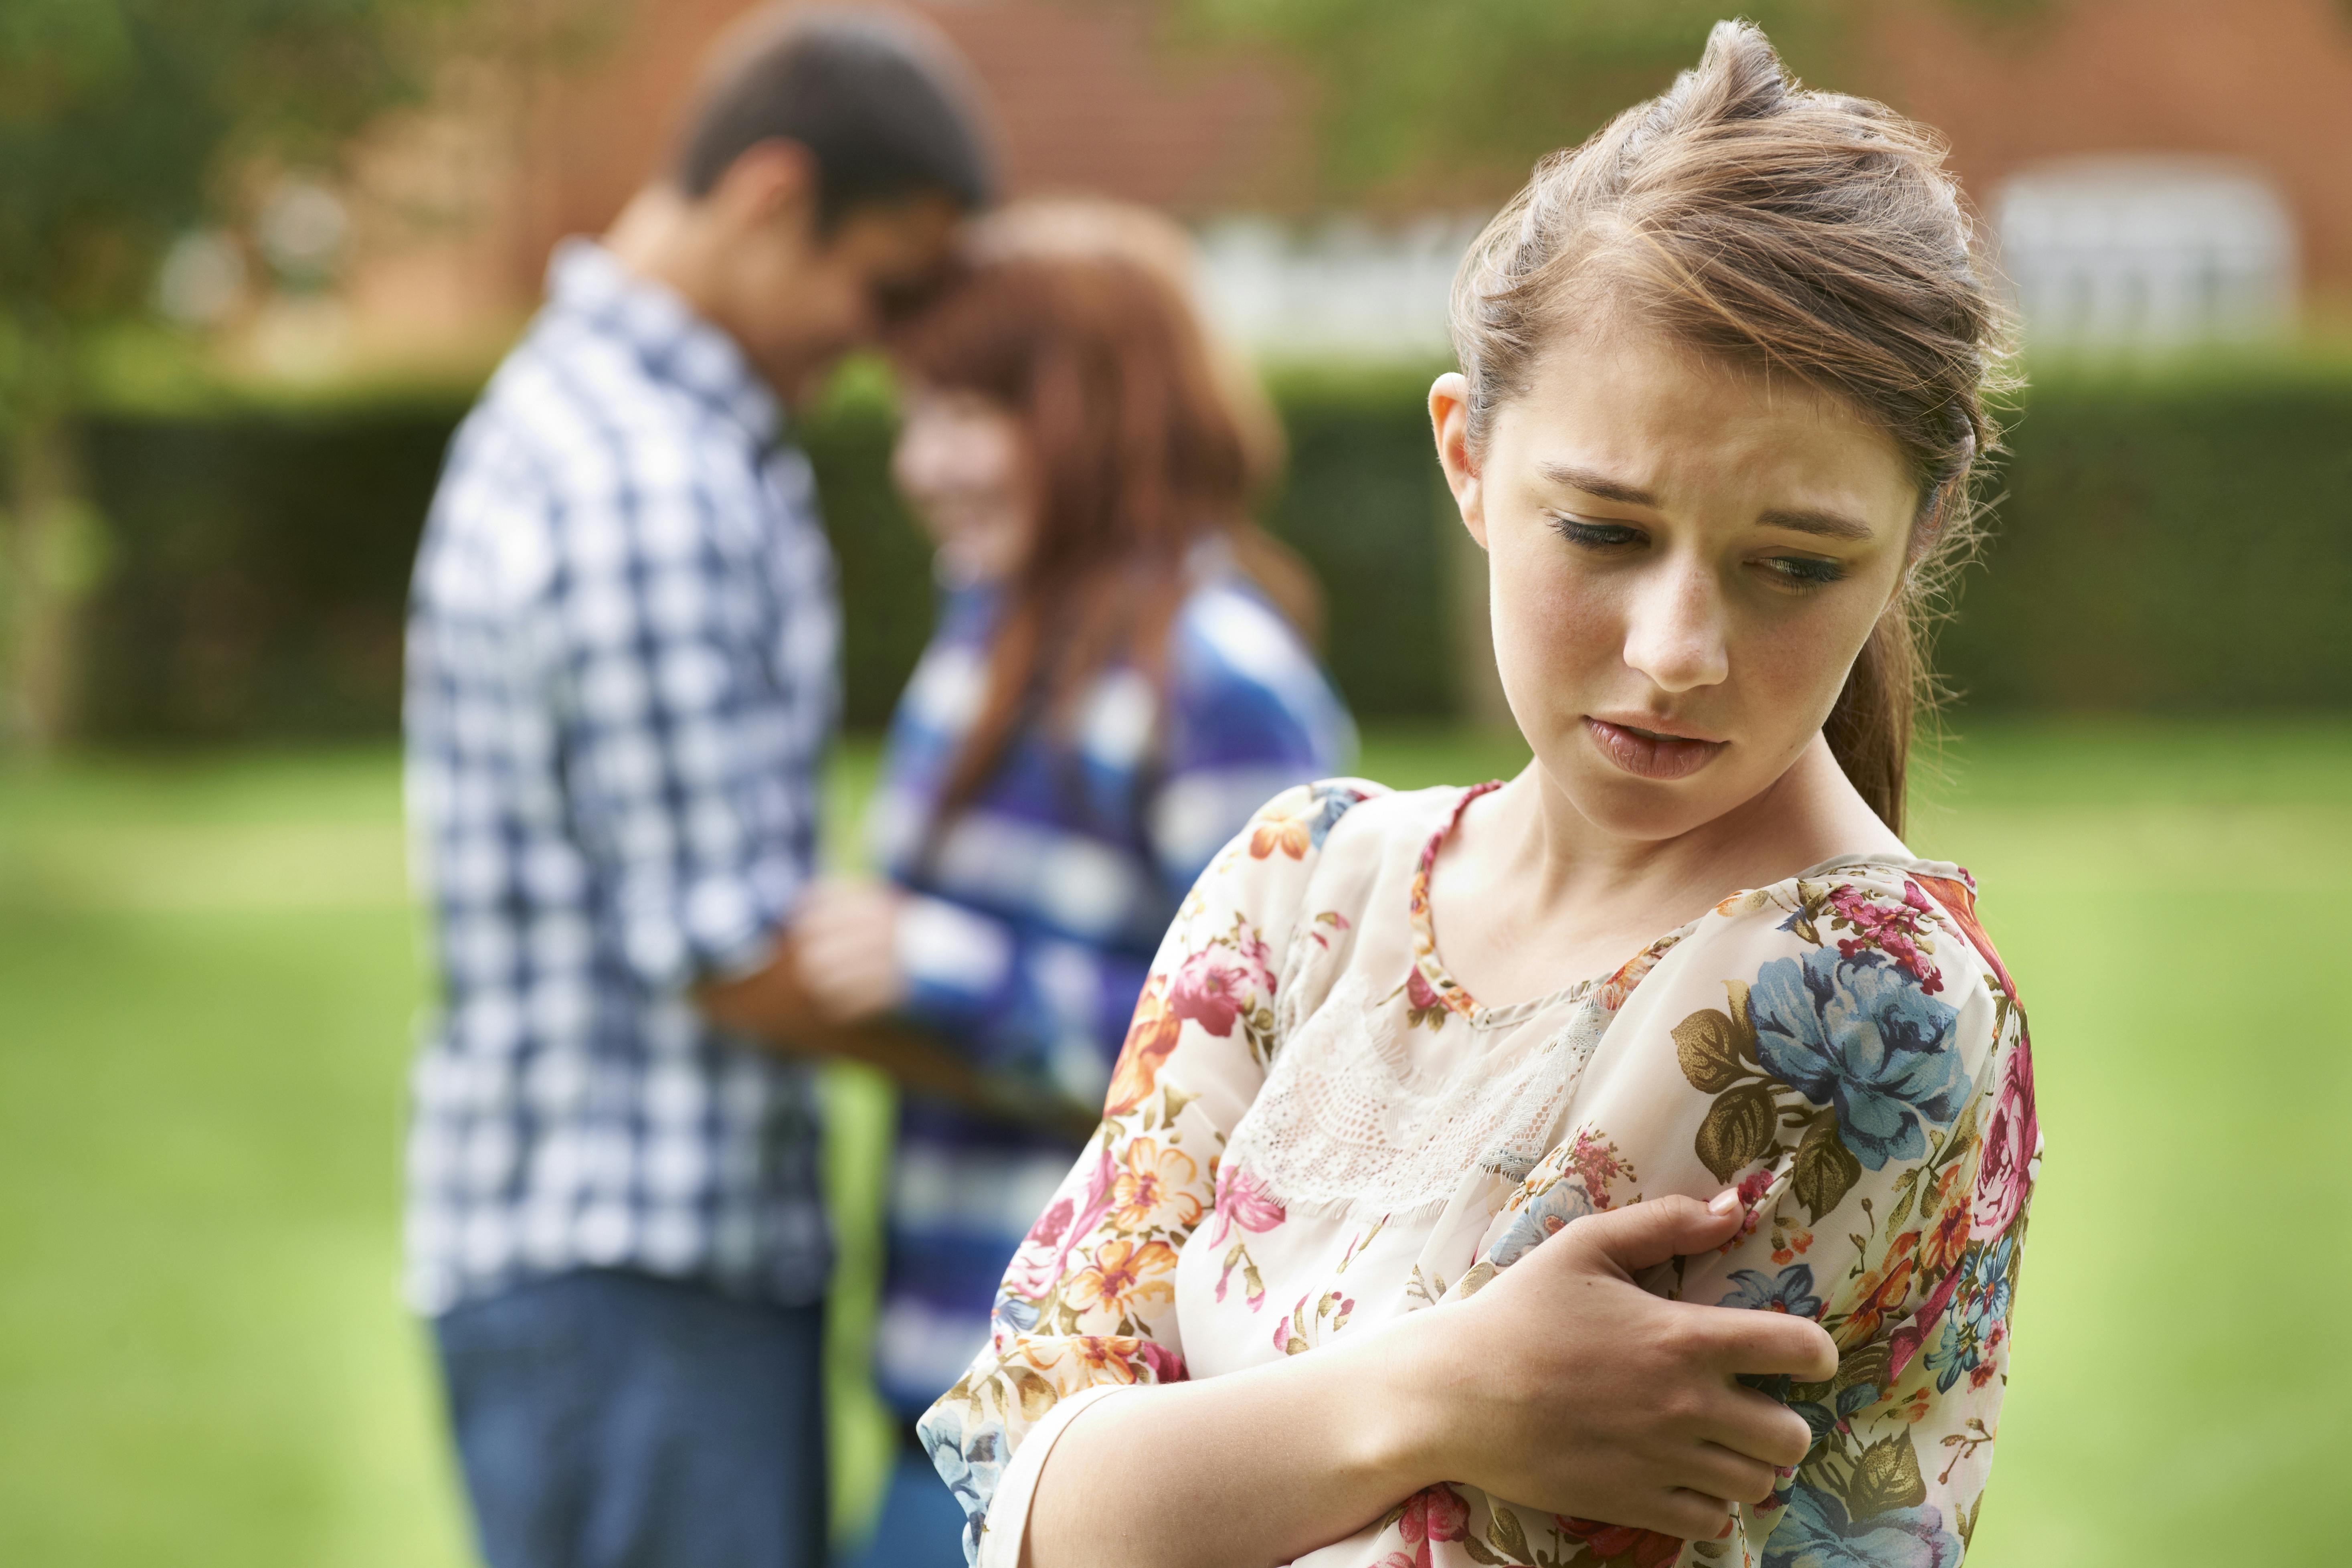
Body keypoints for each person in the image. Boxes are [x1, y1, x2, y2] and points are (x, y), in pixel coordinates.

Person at [919, 23, 2040, 1568]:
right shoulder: (1300, 883)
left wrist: (1177, 1468)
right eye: (1601, 530)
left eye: (1793, 564)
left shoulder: (1855, 992)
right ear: (1467, 456)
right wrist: (1441, 1389)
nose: (1676, 650)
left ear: (1916, 534)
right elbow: (1017, 1489)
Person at [400, 10, 995, 1568]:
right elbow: (731, 954)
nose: (871, 349)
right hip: (633, 1277)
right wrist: (1102, 1070)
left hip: (635, 1275)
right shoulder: (642, 481)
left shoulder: (647, 436)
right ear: (770, 196)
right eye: (877, 289)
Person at [799, 207, 1356, 1567]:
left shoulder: (1216, 682)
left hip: (1102, 1437)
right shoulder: (983, 643)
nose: (918, 463)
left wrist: (953, 974)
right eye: (914, 412)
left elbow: (1296, 1070)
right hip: (943, 1392)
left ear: (1098, 415)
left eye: (968, 412)